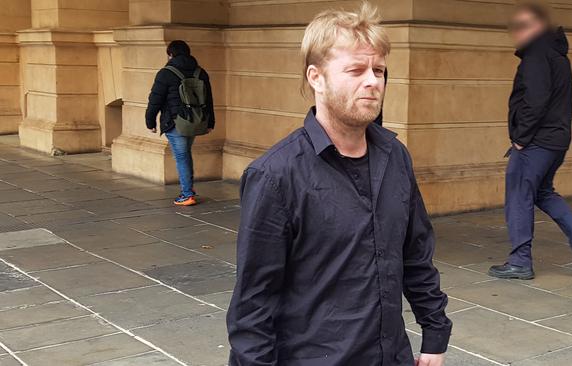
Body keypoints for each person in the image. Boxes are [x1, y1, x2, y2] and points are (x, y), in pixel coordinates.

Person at [227, 2, 451, 366]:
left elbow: (416, 254)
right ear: (316, 77)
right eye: (356, 70)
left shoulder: (395, 157)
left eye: (378, 70)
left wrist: (435, 333)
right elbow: (253, 306)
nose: (372, 81)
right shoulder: (275, 176)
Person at [489, 3, 572, 280]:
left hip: (537, 141)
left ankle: (520, 261)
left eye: (524, 26)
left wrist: (521, 139)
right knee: (543, 192)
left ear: (539, 27)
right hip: (557, 140)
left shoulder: (538, 54)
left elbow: (535, 101)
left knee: (518, 196)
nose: (518, 32)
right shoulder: (557, 54)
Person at [145, 40, 215, 206]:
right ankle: (188, 189)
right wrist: (210, 121)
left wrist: (150, 121)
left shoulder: (166, 73)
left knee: (182, 157)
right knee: (185, 155)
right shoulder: (200, 72)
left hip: (176, 122)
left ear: (170, 54)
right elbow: (209, 99)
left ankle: (187, 194)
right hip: (196, 121)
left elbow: (155, 99)